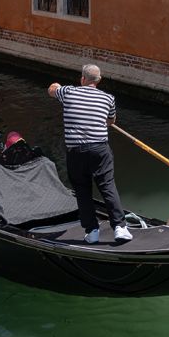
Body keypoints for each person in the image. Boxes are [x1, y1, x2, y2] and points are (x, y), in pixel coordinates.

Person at [48, 64, 132, 244]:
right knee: (107, 185)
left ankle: (92, 231)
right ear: (99, 80)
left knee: (82, 189)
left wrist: (56, 85)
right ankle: (120, 227)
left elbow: (52, 90)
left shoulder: (68, 92)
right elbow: (111, 121)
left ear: (82, 79)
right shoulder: (108, 98)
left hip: (76, 151)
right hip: (99, 150)